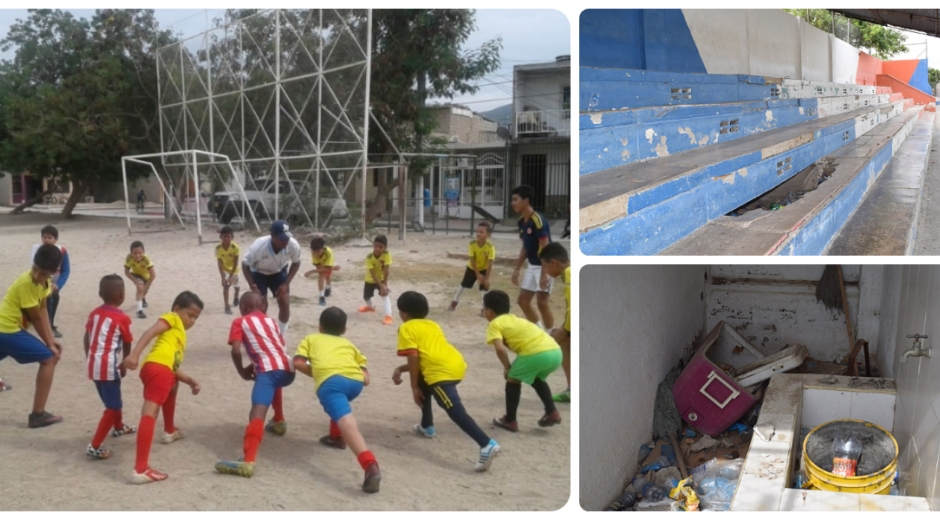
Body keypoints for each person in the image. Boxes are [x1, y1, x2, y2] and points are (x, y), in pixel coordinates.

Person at [392, 291, 500, 471]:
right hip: (455, 363)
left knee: (452, 408)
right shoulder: (432, 325)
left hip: (441, 373)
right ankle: (427, 426)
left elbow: (413, 357)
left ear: (404, 314)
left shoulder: (406, 328)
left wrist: (412, 388)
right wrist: (401, 370)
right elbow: (423, 357)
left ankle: (486, 444)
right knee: (423, 382)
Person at [293, 306, 381, 493]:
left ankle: (370, 465)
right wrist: (361, 377)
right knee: (340, 404)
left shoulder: (311, 338)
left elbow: (298, 363)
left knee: (346, 420)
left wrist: (320, 375)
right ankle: (336, 438)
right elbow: (365, 375)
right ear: (344, 330)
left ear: (320, 326)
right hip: (355, 383)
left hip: (331, 383)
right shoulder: (349, 344)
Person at [120, 291, 204, 484]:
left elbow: (172, 368)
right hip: (158, 368)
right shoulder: (172, 318)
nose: (192, 321)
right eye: (190, 315)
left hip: (158, 368)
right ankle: (141, 468)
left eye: (196, 318)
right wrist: (134, 354)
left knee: (173, 385)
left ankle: (169, 430)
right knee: (150, 411)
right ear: (177, 309)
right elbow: (149, 332)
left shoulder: (178, 335)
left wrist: (190, 380)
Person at [215, 292, 295, 478]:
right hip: (288, 368)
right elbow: (274, 348)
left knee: (257, 411)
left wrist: (242, 370)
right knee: (275, 383)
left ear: (242, 307)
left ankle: (248, 460)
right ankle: (279, 420)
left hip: (268, 371)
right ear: (263, 307)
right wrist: (256, 364)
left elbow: (236, 350)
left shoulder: (240, 322)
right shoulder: (271, 321)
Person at [0, 244, 64, 428]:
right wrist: (50, 346)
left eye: (43, 273)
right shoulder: (27, 282)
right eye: (35, 269)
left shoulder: (44, 283)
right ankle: (38, 415)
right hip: (7, 328)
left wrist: (50, 340)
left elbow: (43, 308)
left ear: (53, 272)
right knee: (49, 359)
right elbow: (35, 317)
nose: (37, 275)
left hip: (6, 328)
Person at [482, 291, 563, 432]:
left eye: (483, 308)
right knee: (536, 378)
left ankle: (510, 420)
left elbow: (500, 350)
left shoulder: (494, 324)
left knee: (513, 379)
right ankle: (552, 412)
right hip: (555, 351)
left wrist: (507, 367)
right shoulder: (517, 319)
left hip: (535, 353)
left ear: (489, 312)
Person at [84, 275, 137, 460]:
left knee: (113, 398)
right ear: (122, 294)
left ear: (100, 294)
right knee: (113, 405)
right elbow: (128, 342)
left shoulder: (94, 314)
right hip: (109, 366)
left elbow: (87, 336)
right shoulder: (122, 318)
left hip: (94, 365)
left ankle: (119, 427)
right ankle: (95, 445)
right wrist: (125, 362)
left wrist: (89, 356)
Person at [241, 220, 302, 336]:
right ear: (273, 236)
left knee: (284, 300)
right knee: (261, 304)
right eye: (282, 238)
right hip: (259, 272)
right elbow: (245, 264)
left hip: (279, 272)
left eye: (287, 237)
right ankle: (261, 334)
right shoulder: (258, 246)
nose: (286, 240)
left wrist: (286, 283)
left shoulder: (293, 245)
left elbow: (296, 262)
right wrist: (252, 286)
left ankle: (281, 335)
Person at [510, 185, 553, 330]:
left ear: (526, 201)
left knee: (542, 302)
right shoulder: (521, 222)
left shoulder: (538, 220)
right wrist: (517, 268)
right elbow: (525, 247)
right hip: (532, 265)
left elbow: (545, 246)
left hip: (546, 265)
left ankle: (551, 337)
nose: (512, 203)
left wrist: (544, 273)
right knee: (523, 301)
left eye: (515, 199)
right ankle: (541, 332)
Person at [539, 242, 571, 403]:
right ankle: (571, 389)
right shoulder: (567, 274)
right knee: (564, 343)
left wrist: (565, 330)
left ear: (554, 263)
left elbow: (572, 308)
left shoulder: (570, 275)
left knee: (564, 340)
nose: (544, 271)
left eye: (545, 267)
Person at [30, 225, 71, 339]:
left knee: (54, 297)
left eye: (50, 237)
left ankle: (50, 323)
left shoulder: (61, 251)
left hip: (54, 281)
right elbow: (35, 267)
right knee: (47, 299)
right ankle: (47, 325)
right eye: (44, 237)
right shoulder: (37, 249)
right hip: (41, 279)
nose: (47, 240)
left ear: (55, 239)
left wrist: (58, 285)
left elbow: (66, 270)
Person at [449, 221, 495, 315]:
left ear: (488, 235)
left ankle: (484, 309)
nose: (478, 234)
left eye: (481, 232)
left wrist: (486, 278)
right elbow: (472, 259)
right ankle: (454, 301)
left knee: (484, 288)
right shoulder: (472, 244)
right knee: (463, 285)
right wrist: (477, 274)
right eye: (477, 231)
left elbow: (490, 263)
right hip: (472, 268)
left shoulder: (490, 247)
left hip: (483, 269)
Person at [358, 235, 394, 325]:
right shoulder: (369, 257)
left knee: (385, 295)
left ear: (385, 247)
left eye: (381, 247)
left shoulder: (387, 254)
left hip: (381, 279)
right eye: (376, 246)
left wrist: (384, 285)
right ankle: (371, 307)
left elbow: (386, 269)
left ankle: (388, 316)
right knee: (366, 297)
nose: (377, 249)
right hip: (370, 279)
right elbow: (372, 274)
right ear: (373, 245)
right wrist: (381, 285)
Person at [124, 241, 156, 319]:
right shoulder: (129, 258)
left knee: (143, 291)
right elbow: (126, 272)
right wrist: (135, 281)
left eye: (140, 253)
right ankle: (139, 311)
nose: (138, 255)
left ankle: (142, 298)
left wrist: (147, 285)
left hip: (147, 277)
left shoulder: (146, 260)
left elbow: (153, 275)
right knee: (140, 288)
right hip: (136, 274)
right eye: (135, 253)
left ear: (143, 252)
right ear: (131, 253)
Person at [306, 236, 340, 307]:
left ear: (323, 249)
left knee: (328, 276)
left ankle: (328, 287)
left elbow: (327, 268)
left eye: (318, 251)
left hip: (327, 261)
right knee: (321, 274)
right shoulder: (313, 253)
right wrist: (331, 268)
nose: (316, 253)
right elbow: (319, 269)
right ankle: (321, 296)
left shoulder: (328, 253)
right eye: (314, 251)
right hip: (321, 263)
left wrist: (311, 271)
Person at [215, 226, 241, 315]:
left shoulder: (235, 247)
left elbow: (235, 263)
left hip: (234, 270)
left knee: (236, 286)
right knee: (226, 286)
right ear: (221, 237)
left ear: (232, 237)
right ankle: (226, 306)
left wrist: (230, 276)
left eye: (228, 236)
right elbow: (219, 262)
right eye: (224, 236)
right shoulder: (218, 248)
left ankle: (236, 295)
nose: (226, 238)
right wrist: (223, 277)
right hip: (225, 269)